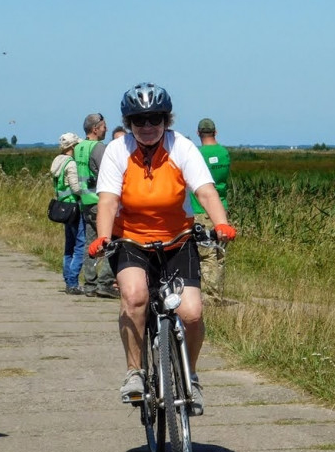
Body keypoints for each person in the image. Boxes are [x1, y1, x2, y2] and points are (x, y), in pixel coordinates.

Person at [91, 83, 236, 415]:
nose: (147, 127)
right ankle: (134, 373)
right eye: (138, 120)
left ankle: (192, 377)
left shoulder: (182, 147)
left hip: (177, 238)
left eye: (155, 119)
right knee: (135, 297)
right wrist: (102, 237)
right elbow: (108, 200)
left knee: (191, 312)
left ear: (167, 120)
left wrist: (221, 223)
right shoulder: (117, 150)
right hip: (130, 239)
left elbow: (205, 190)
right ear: (128, 123)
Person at [75, 113, 118, 298]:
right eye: (103, 126)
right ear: (95, 128)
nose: (106, 129)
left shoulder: (79, 147)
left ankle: (90, 283)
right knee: (112, 241)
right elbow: (108, 172)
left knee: (90, 244)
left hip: (85, 200)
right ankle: (105, 282)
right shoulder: (98, 147)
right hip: (99, 202)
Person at [190, 118, 232, 302]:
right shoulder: (224, 153)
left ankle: (208, 294)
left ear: (199, 133)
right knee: (220, 252)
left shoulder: (197, 154)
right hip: (222, 207)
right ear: (215, 132)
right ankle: (217, 292)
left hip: (201, 207)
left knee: (206, 253)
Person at [51, 132, 86, 294]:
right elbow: (76, 188)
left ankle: (67, 278)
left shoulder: (57, 161)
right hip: (73, 207)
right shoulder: (70, 164)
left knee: (69, 246)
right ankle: (72, 282)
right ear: (72, 146)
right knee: (80, 245)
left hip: (62, 206)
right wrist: (88, 189)